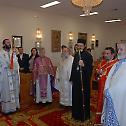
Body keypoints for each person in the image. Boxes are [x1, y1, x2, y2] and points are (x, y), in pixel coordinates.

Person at [101, 41, 126, 126]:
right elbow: (109, 79)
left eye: (121, 49)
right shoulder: (117, 64)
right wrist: (106, 89)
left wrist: (109, 91)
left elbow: (122, 85)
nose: (118, 52)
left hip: (119, 100)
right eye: (118, 49)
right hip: (111, 97)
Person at [70, 39, 93, 121]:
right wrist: (72, 78)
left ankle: (84, 115)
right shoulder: (76, 55)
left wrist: (83, 65)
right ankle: (76, 114)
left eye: (81, 46)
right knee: (76, 98)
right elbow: (73, 67)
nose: (79, 47)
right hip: (76, 81)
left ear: (85, 46)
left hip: (84, 82)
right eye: (78, 45)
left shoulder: (88, 56)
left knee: (83, 98)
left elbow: (90, 70)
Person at [94, 47, 117, 125]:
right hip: (101, 88)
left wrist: (103, 75)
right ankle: (100, 120)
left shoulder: (116, 64)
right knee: (100, 103)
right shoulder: (102, 62)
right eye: (104, 53)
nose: (105, 55)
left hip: (110, 89)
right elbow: (96, 75)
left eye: (107, 54)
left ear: (113, 54)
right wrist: (98, 73)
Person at [0, 39, 20, 114]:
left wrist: (14, 65)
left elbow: (16, 62)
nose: (9, 44)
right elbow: (1, 64)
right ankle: (7, 109)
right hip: (5, 76)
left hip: (13, 75)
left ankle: (14, 107)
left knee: (14, 90)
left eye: (9, 43)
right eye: (7, 43)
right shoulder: (1, 53)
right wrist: (7, 65)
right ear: (4, 44)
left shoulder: (12, 52)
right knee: (6, 92)